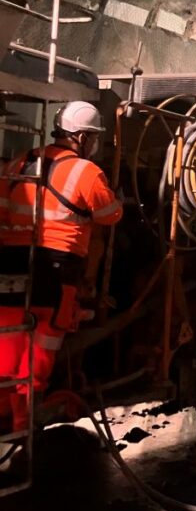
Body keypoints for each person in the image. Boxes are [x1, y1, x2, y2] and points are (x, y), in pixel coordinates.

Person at [0, 101, 122, 434]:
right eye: (93, 137)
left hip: (10, 265)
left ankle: (6, 420)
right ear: (82, 136)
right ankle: (24, 434)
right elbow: (110, 214)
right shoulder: (86, 171)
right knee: (40, 353)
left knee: (6, 350)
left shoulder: (20, 162)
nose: (94, 144)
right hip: (55, 271)